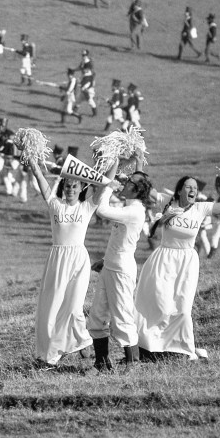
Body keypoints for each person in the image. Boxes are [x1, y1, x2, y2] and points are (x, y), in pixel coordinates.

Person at [136, 174, 220, 361]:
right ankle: (150, 347)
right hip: (164, 258)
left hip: (187, 262)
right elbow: (143, 186)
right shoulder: (168, 202)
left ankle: (182, 348)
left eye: (195, 188)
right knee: (160, 304)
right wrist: (139, 163)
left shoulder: (201, 208)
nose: (192, 191)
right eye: (188, 187)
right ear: (180, 189)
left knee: (182, 309)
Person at [28, 160, 97, 369]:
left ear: (81, 188)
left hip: (79, 260)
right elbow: (41, 180)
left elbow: (103, 185)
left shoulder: (87, 207)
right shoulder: (55, 204)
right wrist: (32, 161)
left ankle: (84, 344)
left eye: (75, 186)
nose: (70, 189)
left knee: (75, 307)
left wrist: (114, 160)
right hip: (57, 260)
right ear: (63, 187)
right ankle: (50, 355)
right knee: (52, 308)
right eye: (67, 186)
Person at [87, 157, 151, 375]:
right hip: (111, 267)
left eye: (129, 183)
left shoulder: (135, 211)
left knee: (122, 317)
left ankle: (133, 363)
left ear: (137, 190)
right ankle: (102, 364)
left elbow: (102, 211)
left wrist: (107, 184)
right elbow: (120, 241)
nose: (124, 184)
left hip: (121, 270)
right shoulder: (128, 207)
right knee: (97, 316)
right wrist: (105, 261)